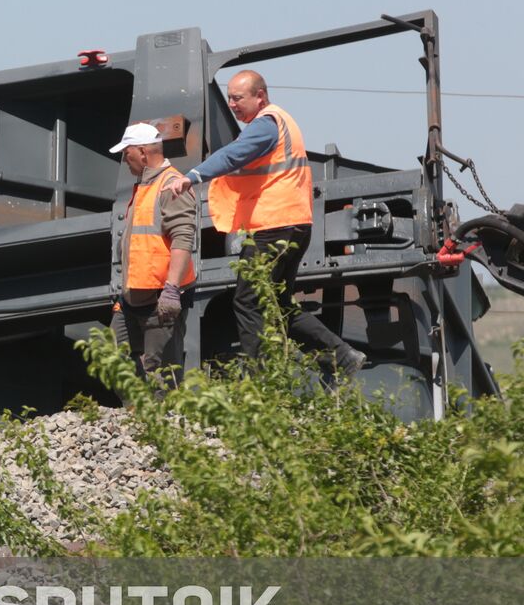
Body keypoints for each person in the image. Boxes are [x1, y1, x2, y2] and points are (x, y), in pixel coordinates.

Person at [169, 71, 366, 374]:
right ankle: (341, 356)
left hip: (273, 227)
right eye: (230, 97)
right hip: (293, 225)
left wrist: (193, 176)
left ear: (259, 96)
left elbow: (234, 154)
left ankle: (258, 378)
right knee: (278, 303)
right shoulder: (281, 122)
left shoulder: (266, 124)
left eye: (238, 98)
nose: (232, 104)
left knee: (247, 301)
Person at [108, 123, 196, 392]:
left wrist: (171, 289)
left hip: (159, 298)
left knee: (161, 373)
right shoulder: (145, 186)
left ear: (143, 152)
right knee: (116, 359)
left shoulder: (171, 186)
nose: (124, 160)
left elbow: (183, 239)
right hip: (132, 297)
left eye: (127, 153)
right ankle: (135, 418)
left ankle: (166, 425)